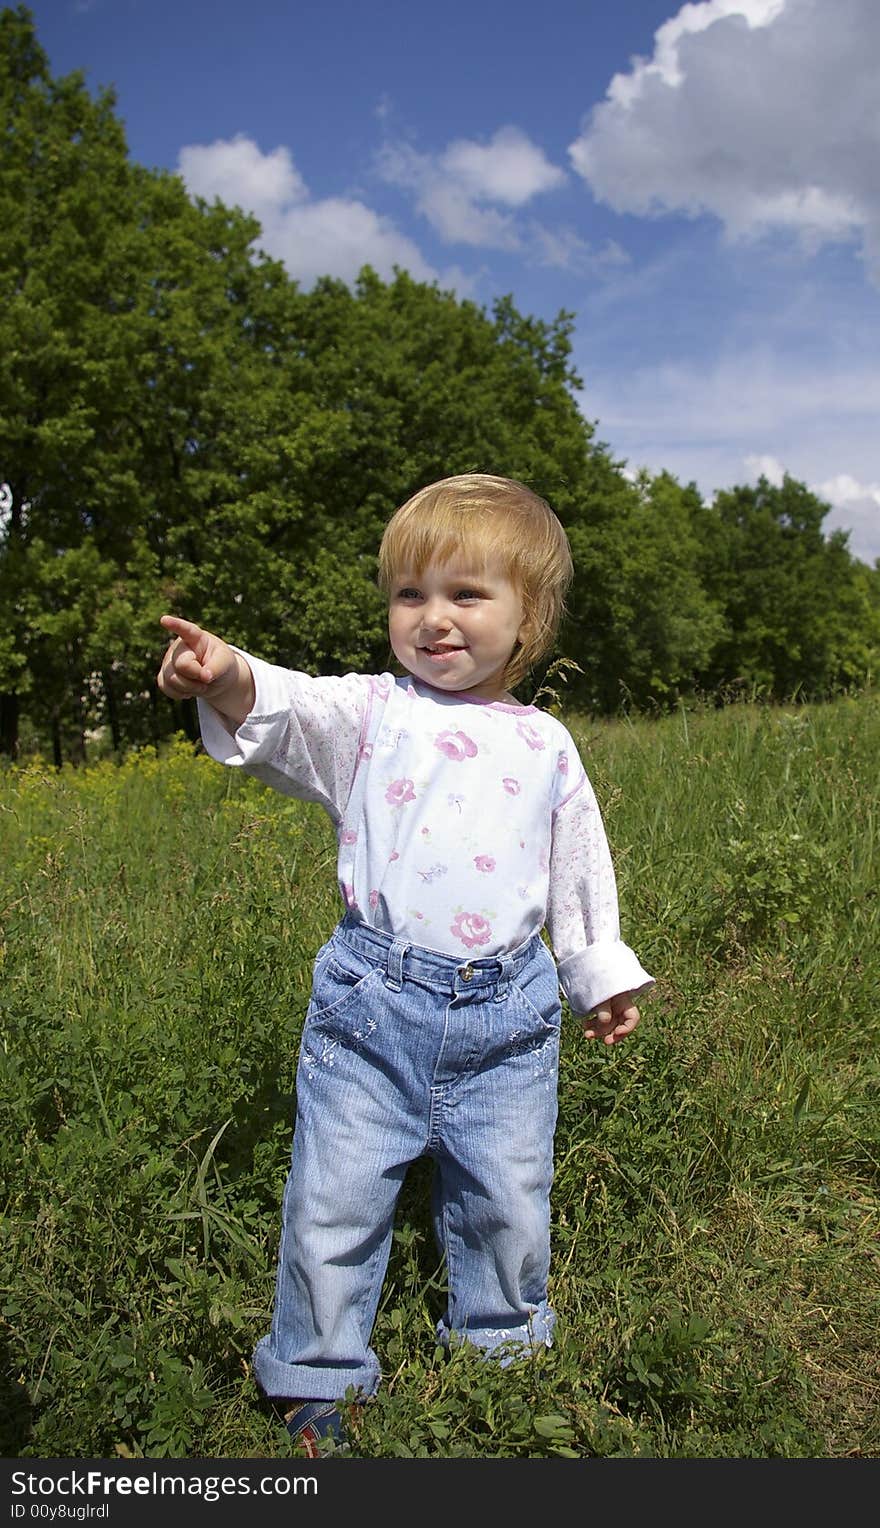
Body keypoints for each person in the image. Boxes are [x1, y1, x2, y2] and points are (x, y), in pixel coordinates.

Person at [156, 472, 653, 1456]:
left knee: (507, 1198)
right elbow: (286, 708)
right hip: (371, 1006)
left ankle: (503, 1358)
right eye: (409, 594)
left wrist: (595, 970)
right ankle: (316, 1376)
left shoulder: (547, 743)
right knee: (335, 1195)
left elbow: (576, 865)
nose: (433, 618)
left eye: (466, 594)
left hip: (508, 1017)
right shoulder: (372, 715)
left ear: (528, 618)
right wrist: (224, 675)